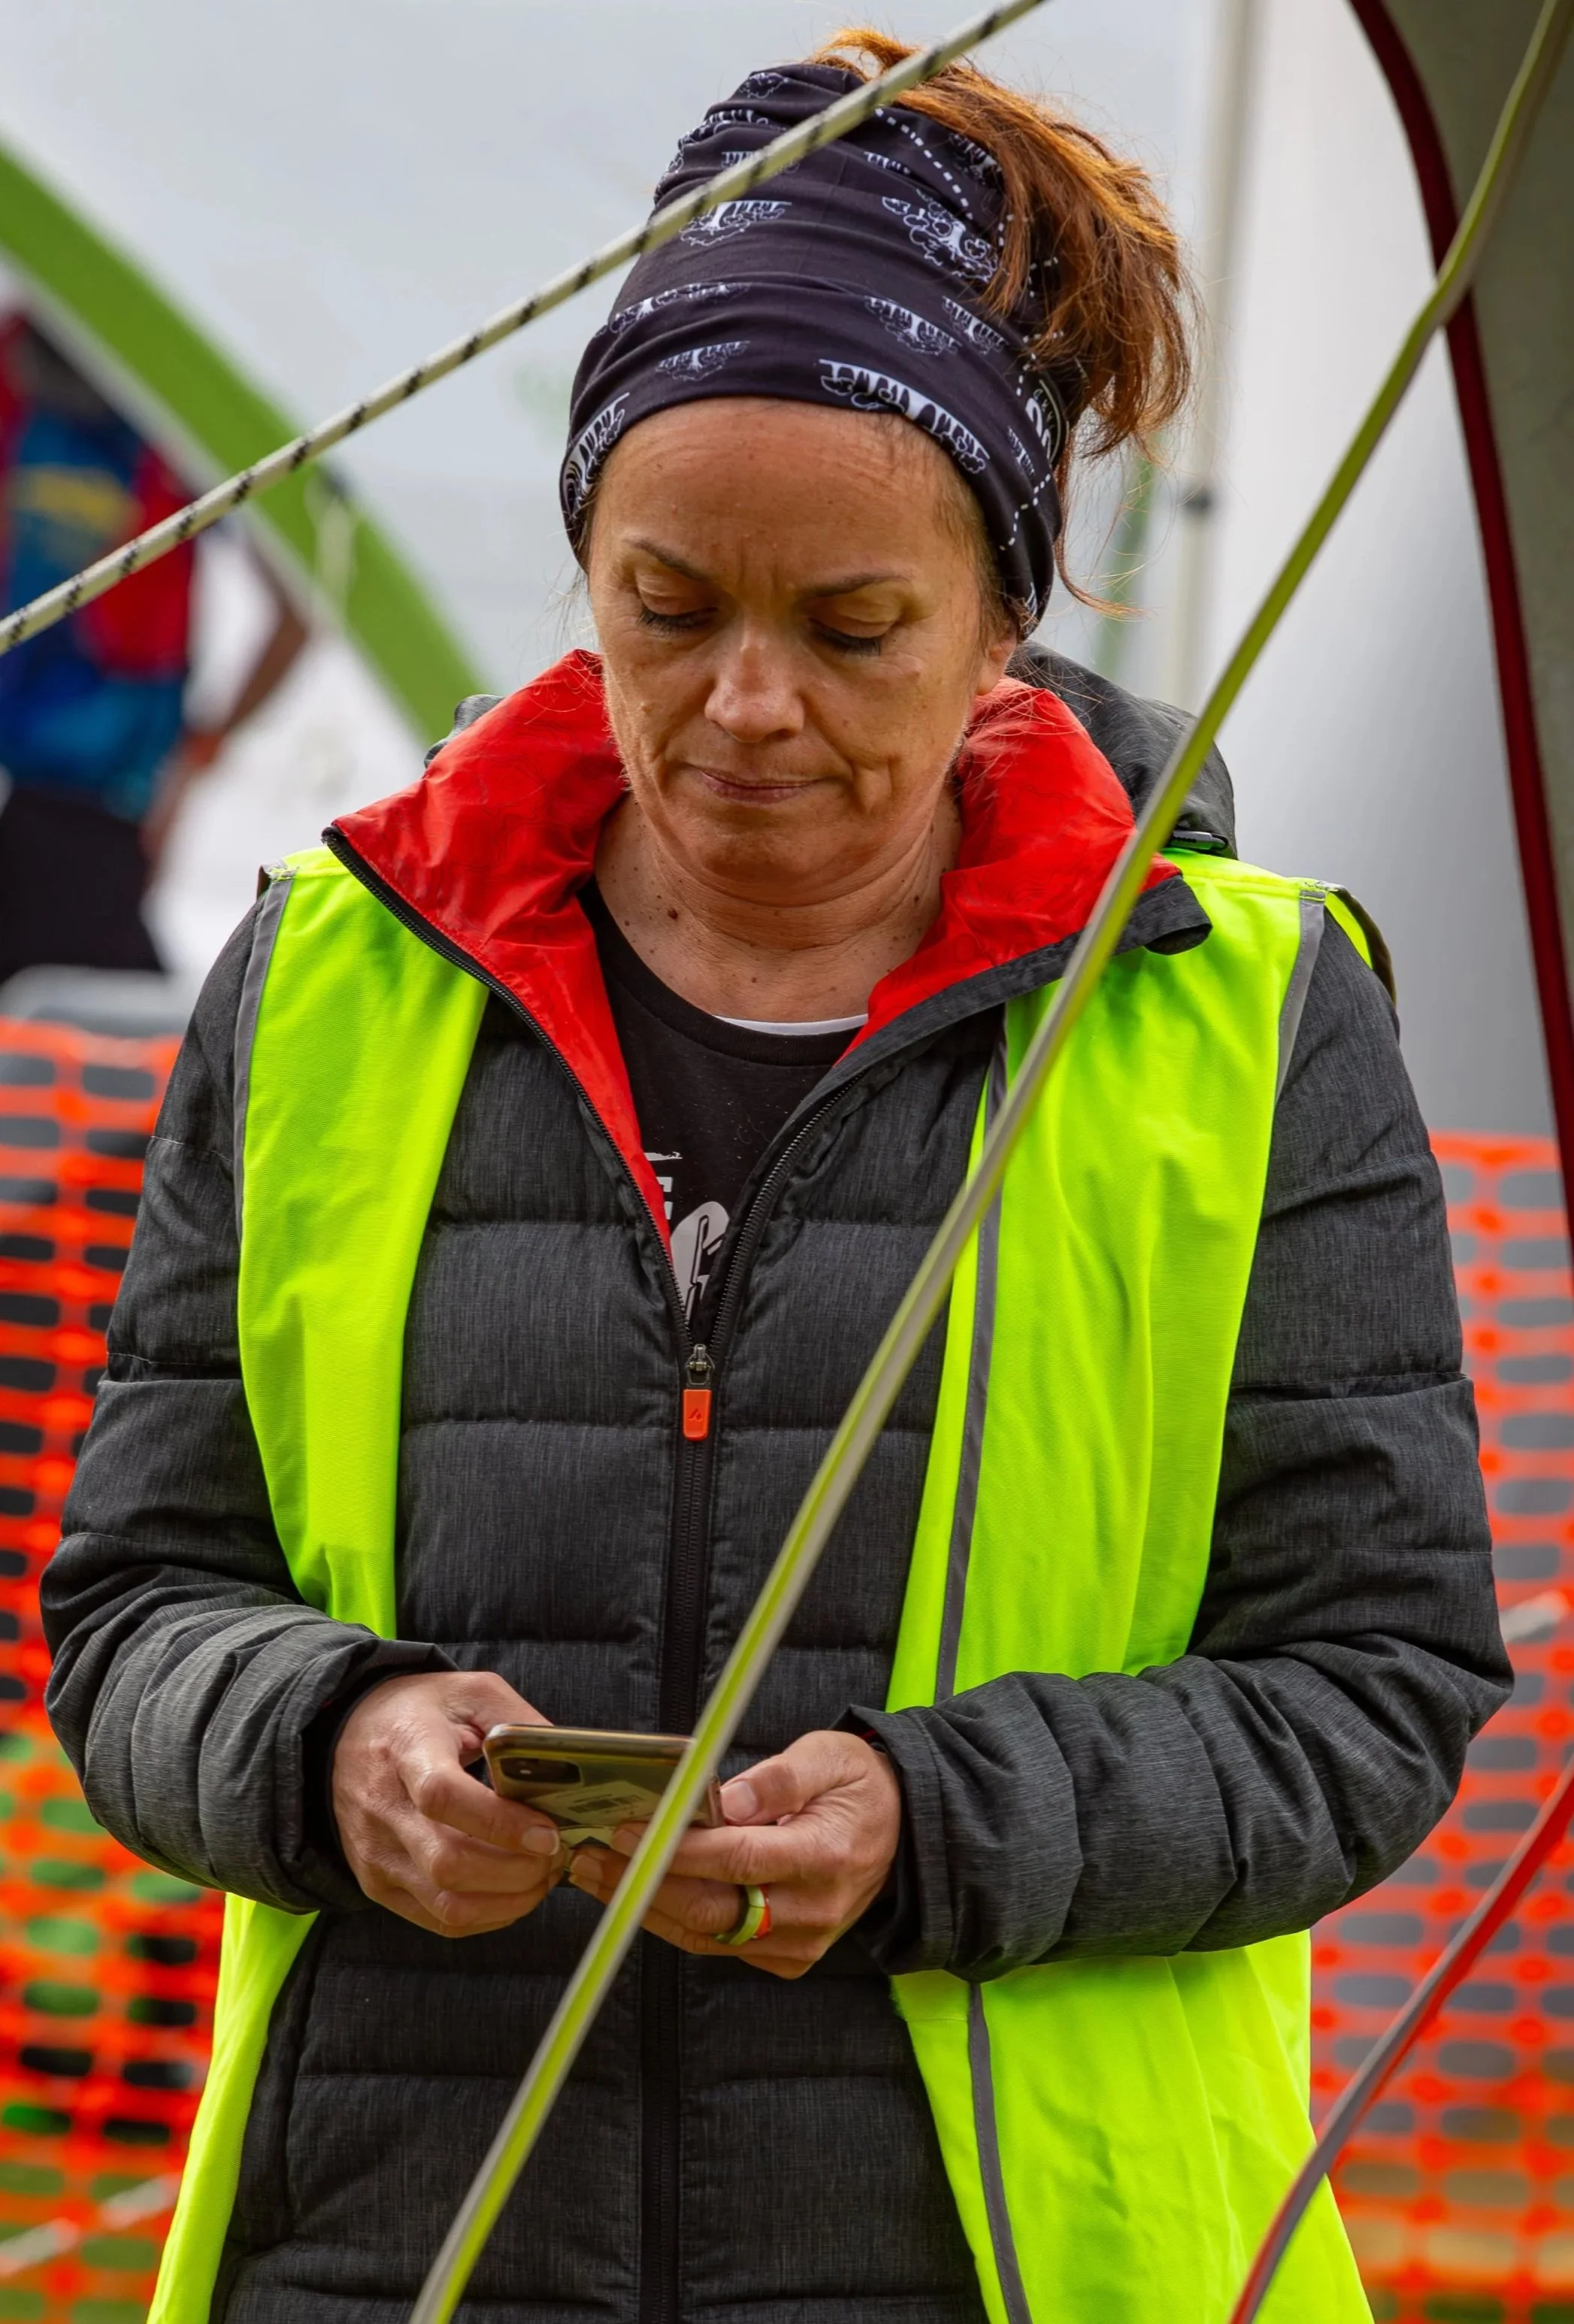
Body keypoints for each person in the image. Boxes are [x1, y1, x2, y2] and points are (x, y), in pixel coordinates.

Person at [44, 35, 1506, 2324]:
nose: (740, 704)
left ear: (1004, 619)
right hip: (395, 2254)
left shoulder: (1246, 1024)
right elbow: (137, 1607)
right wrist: (333, 1747)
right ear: (582, 566)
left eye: (848, 630)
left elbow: (1372, 1681)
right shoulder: (323, 973)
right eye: (663, 602)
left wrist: (939, 1822)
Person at [0, 315, 307, 985]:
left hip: (101, 805)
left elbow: (297, 612)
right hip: (64, 801)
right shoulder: (17, 382)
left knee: (93, 1019)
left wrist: (200, 751)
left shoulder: (175, 421)